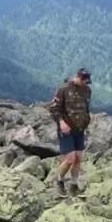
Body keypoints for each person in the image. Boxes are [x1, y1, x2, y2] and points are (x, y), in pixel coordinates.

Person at [47, 67, 93, 196]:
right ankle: (59, 180)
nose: (86, 84)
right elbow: (54, 108)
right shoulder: (63, 89)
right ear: (78, 77)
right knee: (70, 158)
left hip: (80, 128)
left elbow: (86, 108)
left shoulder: (87, 90)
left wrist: (86, 121)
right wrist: (61, 123)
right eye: (84, 81)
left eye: (87, 82)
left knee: (78, 158)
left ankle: (73, 185)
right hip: (66, 129)